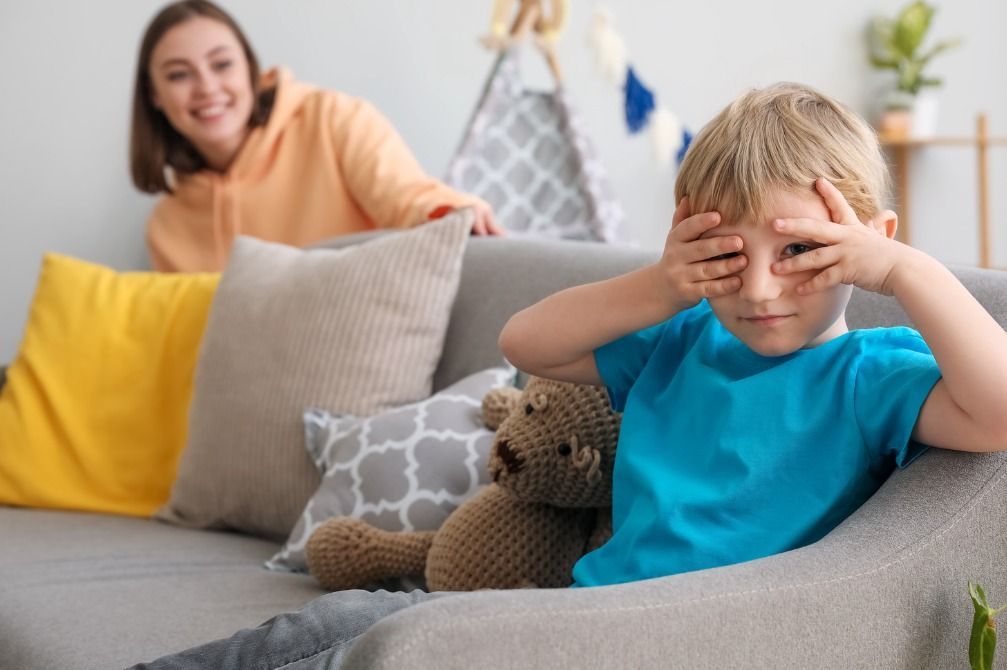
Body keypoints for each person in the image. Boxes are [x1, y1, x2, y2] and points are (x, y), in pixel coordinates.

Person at [129, 82, 1007, 668]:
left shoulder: (867, 375)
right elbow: (527, 340)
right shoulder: (682, 338)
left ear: (869, 241)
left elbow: (998, 413)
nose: (759, 285)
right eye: (727, 254)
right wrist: (664, 283)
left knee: (383, 649)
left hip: (683, 638)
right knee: (329, 623)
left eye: (802, 252)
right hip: (578, 611)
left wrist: (904, 271)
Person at [131, 0, 502, 273]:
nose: (207, 88)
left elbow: (405, 197)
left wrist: (451, 212)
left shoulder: (332, 118)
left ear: (249, 68)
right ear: (154, 95)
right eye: (179, 75)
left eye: (222, 64)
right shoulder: (166, 228)